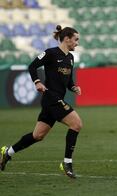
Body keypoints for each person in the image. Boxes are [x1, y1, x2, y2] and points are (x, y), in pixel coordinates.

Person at [0, 25, 82, 179]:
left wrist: (74, 87)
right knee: (76, 124)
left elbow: (68, 80)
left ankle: (7, 152)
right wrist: (37, 81)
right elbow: (32, 66)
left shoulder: (70, 58)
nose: (77, 43)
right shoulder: (50, 53)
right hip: (51, 98)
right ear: (67, 39)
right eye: (76, 39)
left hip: (56, 100)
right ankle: (67, 162)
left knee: (38, 135)